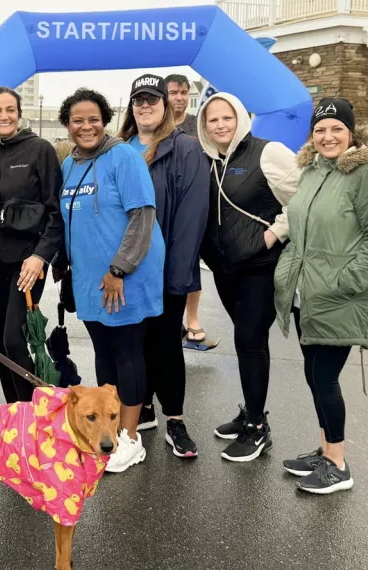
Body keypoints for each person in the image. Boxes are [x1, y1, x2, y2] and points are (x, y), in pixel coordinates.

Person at [275, 98, 368, 494]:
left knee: (323, 377)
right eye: (320, 130)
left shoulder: (367, 175)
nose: (328, 137)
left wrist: (344, 281)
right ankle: (326, 449)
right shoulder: (312, 171)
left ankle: (338, 464)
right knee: (315, 378)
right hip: (306, 295)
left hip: (340, 296)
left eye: (336, 129)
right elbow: (299, 228)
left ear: (350, 133)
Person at [54, 88, 165, 474]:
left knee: (128, 353)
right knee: (104, 354)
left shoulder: (124, 157)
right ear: (67, 125)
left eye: (93, 119)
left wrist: (120, 269)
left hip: (125, 277)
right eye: (77, 120)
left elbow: (142, 216)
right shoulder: (69, 164)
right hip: (89, 279)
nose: (86, 126)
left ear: (106, 120)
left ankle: (130, 439)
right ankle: (108, 432)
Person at [195, 92, 300, 462]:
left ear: (241, 117)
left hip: (261, 267)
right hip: (225, 270)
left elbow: (302, 198)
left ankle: (257, 427)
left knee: (250, 341)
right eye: (213, 120)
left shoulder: (268, 152)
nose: (221, 125)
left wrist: (275, 233)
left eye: (227, 118)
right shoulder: (207, 160)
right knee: (245, 344)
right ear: (203, 125)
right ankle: (250, 412)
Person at [118, 74, 209, 458]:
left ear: (166, 105)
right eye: (138, 99)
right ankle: (145, 409)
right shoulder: (118, 149)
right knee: (133, 346)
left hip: (164, 269)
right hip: (125, 270)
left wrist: (177, 275)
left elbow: (191, 218)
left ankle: (175, 418)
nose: (145, 105)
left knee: (165, 345)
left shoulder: (185, 149)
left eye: (152, 99)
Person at [0, 86, 62, 404]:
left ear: (19, 112)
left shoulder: (40, 150)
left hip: (28, 263)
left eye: (10, 109)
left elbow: (56, 211)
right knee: (1, 342)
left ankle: (32, 412)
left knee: (15, 339)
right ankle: (14, 412)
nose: (4, 116)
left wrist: (41, 256)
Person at [164, 73, 207, 345]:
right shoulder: (157, 124)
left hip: (193, 200)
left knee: (191, 261)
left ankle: (192, 317)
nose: (179, 97)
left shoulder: (197, 124)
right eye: (173, 92)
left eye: (183, 92)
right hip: (165, 201)